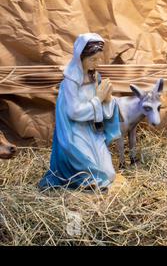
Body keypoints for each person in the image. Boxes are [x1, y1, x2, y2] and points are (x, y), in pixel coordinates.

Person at [39, 33, 121, 191]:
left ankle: (89, 182)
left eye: (99, 59)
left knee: (109, 174)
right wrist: (98, 98)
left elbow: (104, 112)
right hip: (74, 133)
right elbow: (74, 112)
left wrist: (109, 99)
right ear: (80, 58)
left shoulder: (95, 77)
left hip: (92, 131)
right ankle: (82, 181)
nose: (96, 64)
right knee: (94, 174)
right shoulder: (71, 81)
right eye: (93, 60)